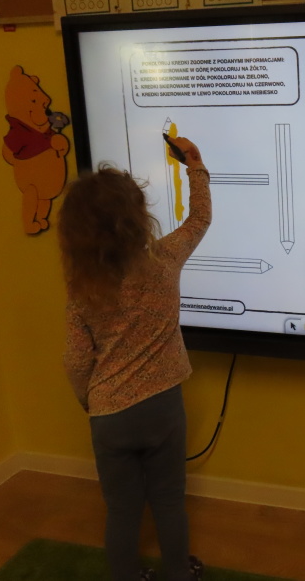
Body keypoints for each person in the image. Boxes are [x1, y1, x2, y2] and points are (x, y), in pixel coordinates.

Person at [58, 137, 211, 581]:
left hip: (109, 415)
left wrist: (90, 400)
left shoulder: (81, 289)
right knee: (169, 499)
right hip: (163, 408)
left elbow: (75, 360)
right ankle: (179, 573)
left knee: (122, 509)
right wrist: (195, 166)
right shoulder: (164, 259)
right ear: (138, 217)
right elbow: (199, 219)